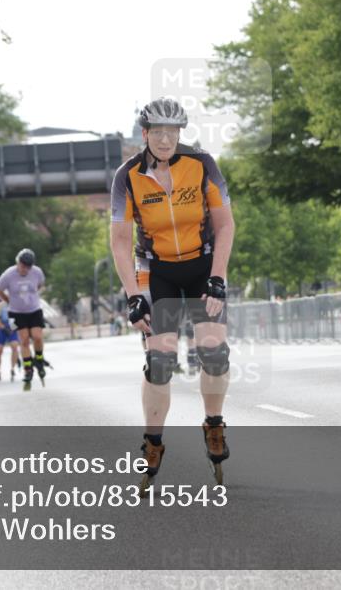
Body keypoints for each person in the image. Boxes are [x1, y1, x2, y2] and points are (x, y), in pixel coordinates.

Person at [109, 97, 236, 494]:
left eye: (173, 132)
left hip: (202, 264)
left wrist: (218, 277)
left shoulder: (202, 164)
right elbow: (119, 241)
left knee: (214, 352)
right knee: (159, 360)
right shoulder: (127, 177)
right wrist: (133, 295)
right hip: (156, 269)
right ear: (145, 133)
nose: (165, 140)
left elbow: (225, 225)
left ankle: (213, 424)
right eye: (158, 132)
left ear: (180, 133)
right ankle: (153, 442)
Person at [0, 248, 48, 391]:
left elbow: (40, 284)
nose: (25, 269)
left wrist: (33, 296)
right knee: (23, 340)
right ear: (18, 263)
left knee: (37, 337)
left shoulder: (37, 272)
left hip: (34, 310)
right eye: (23, 265)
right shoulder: (8, 275)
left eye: (28, 266)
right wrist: (8, 300)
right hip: (15, 313)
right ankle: (28, 369)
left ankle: (39, 359)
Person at [0, 301, 22, 382]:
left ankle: (12, 369)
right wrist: (3, 327)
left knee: (14, 346)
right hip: (3, 327)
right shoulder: (1, 305)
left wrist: (13, 328)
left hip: (12, 326)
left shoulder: (16, 303)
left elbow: (20, 318)